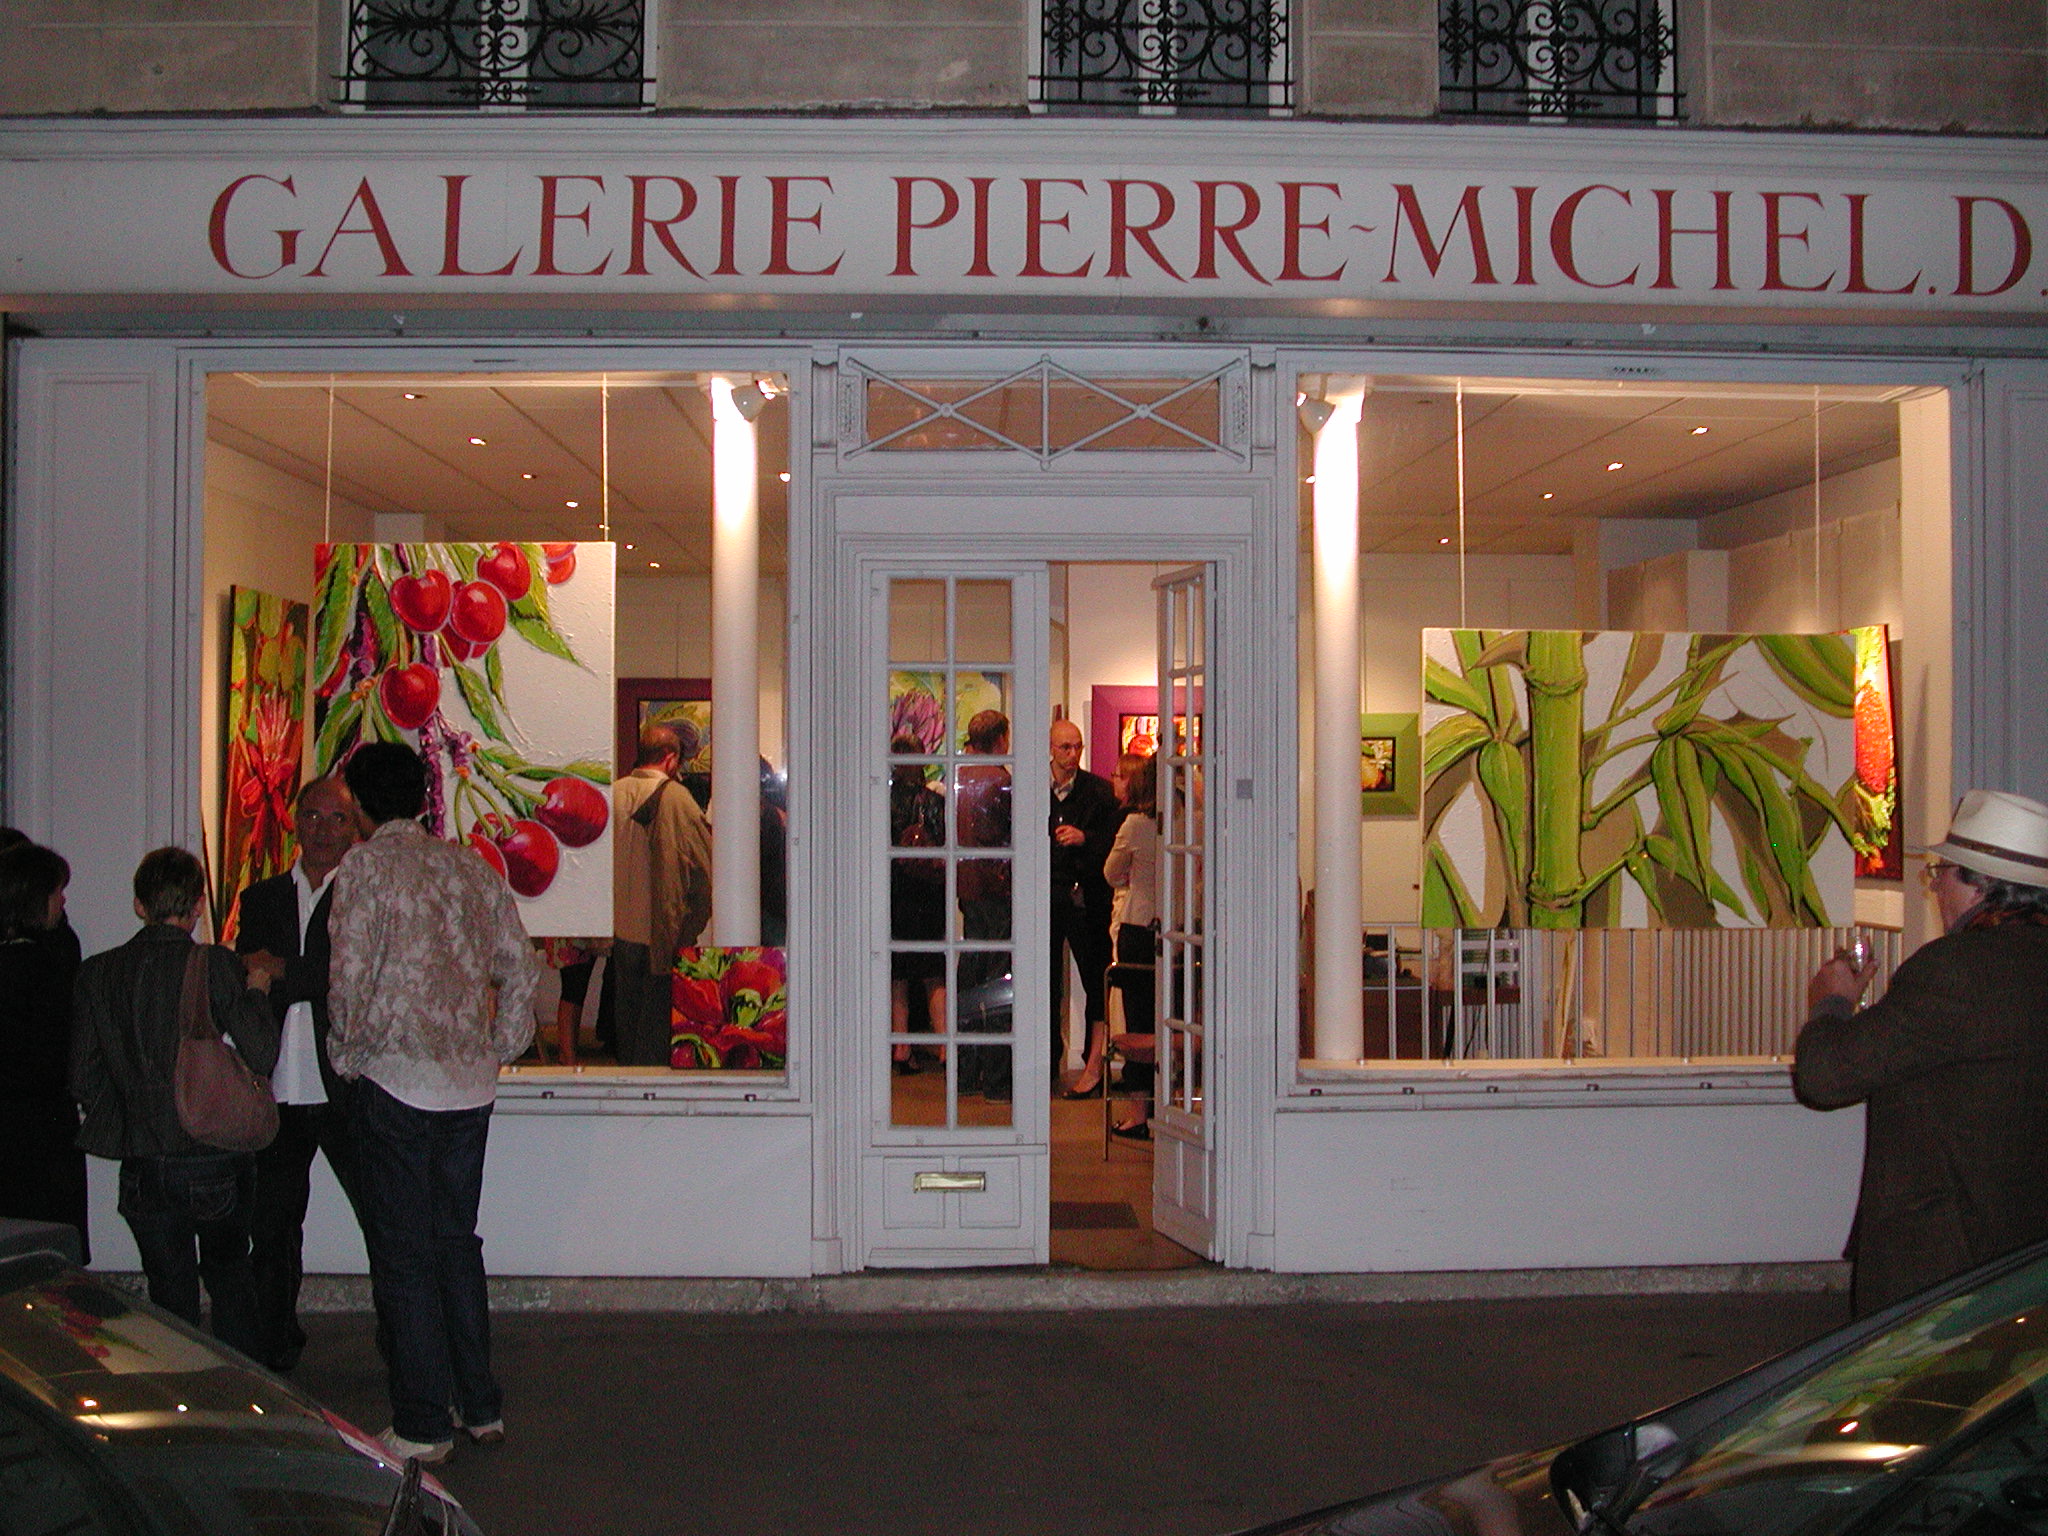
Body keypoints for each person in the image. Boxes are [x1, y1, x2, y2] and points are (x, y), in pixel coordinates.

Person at [328, 742, 540, 1464]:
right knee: (455, 1242)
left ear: (360, 804)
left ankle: (421, 1422)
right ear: (423, 796)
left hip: (397, 1080)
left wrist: (347, 1054)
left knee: (403, 1254)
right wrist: (500, 1045)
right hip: (468, 1086)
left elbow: (349, 975)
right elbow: (520, 965)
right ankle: (478, 1403)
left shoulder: (365, 868)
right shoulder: (469, 867)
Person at [1795, 789, 2048, 1317]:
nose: (1933, 885)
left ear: (1980, 886)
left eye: (1942, 872)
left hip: (1947, 1263)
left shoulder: (1956, 970)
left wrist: (1832, 1002)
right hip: (2027, 1256)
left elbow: (1826, 1077)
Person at [71, 847, 279, 1352]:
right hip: (213, 1154)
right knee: (230, 1279)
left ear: (140, 905)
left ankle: (179, 1389)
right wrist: (257, 989)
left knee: (168, 1294)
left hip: (143, 1157)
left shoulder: (98, 973)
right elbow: (261, 1051)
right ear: (198, 905)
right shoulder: (212, 965)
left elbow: (82, 1075)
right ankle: (239, 1388)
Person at [234, 775, 361, 1371]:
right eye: (312, 816)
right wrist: (304, 974)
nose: (323, 830)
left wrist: (283, 969)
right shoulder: (261, 899)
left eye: (337, 818)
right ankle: (273, 1346)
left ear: (354, 827)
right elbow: (246, 974)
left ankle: (403, 1346)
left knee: (381, 1221)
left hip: (346, 1087)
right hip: (279, 1087)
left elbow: (349, 981)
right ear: (294, 821)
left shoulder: (363, 896)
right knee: (272, 1229)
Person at [606, 724, 714, 1067]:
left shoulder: (612, 793)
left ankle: (628, 1087)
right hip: (661, 933)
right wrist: (690, 927)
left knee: (627, 1028)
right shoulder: (678, 799)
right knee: (655, 1039)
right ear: (670, 758)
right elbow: (704, 873)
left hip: (619, 930)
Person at [0, 840, 88, 1255]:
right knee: (45, 1247)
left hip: (20, 1124)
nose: (63, 901)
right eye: (56, 892)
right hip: (41, 1129)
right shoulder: (46, 967)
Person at [1049, 719, 1120, 1097]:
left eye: (1077, 746)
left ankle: (1094, 1063)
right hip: (1046, 897)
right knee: (1044, 982)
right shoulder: (1034, 789)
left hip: (1087, 899)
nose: (1073, 754)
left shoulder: (1099, 791)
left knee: (1095, 978)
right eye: (1065, 747)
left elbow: (1114, 843)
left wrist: (1084, 838)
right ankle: (1044, 1061)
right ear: (1051, 748)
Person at [955, 709, 1014, 1100]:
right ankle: (996, 1080)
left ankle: (965, 1075)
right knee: (998, 986)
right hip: (997, 892)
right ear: (1000, 739)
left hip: (969, 891)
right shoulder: (1000, 781)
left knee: (970, 980)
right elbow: (1008, 838)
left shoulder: (960, 777)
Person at [1103, 755, 1159, 1140]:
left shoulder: (1136, 824)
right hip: (1179, 928)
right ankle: (1170, 1106)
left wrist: (1130, 877)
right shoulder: (1194, 821)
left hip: (1139, 928)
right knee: (1171, 1018)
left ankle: (1139, 1112)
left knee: (1138, 1022)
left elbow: (1111, 873)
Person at [888, 737, 948, 1073]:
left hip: (894, 893)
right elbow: (944, 846)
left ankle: (901, 1046)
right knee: (932, 973)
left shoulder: (882, 799)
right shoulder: (933, 801)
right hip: (927, 893)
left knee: (898, 973)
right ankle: (944, 1046)